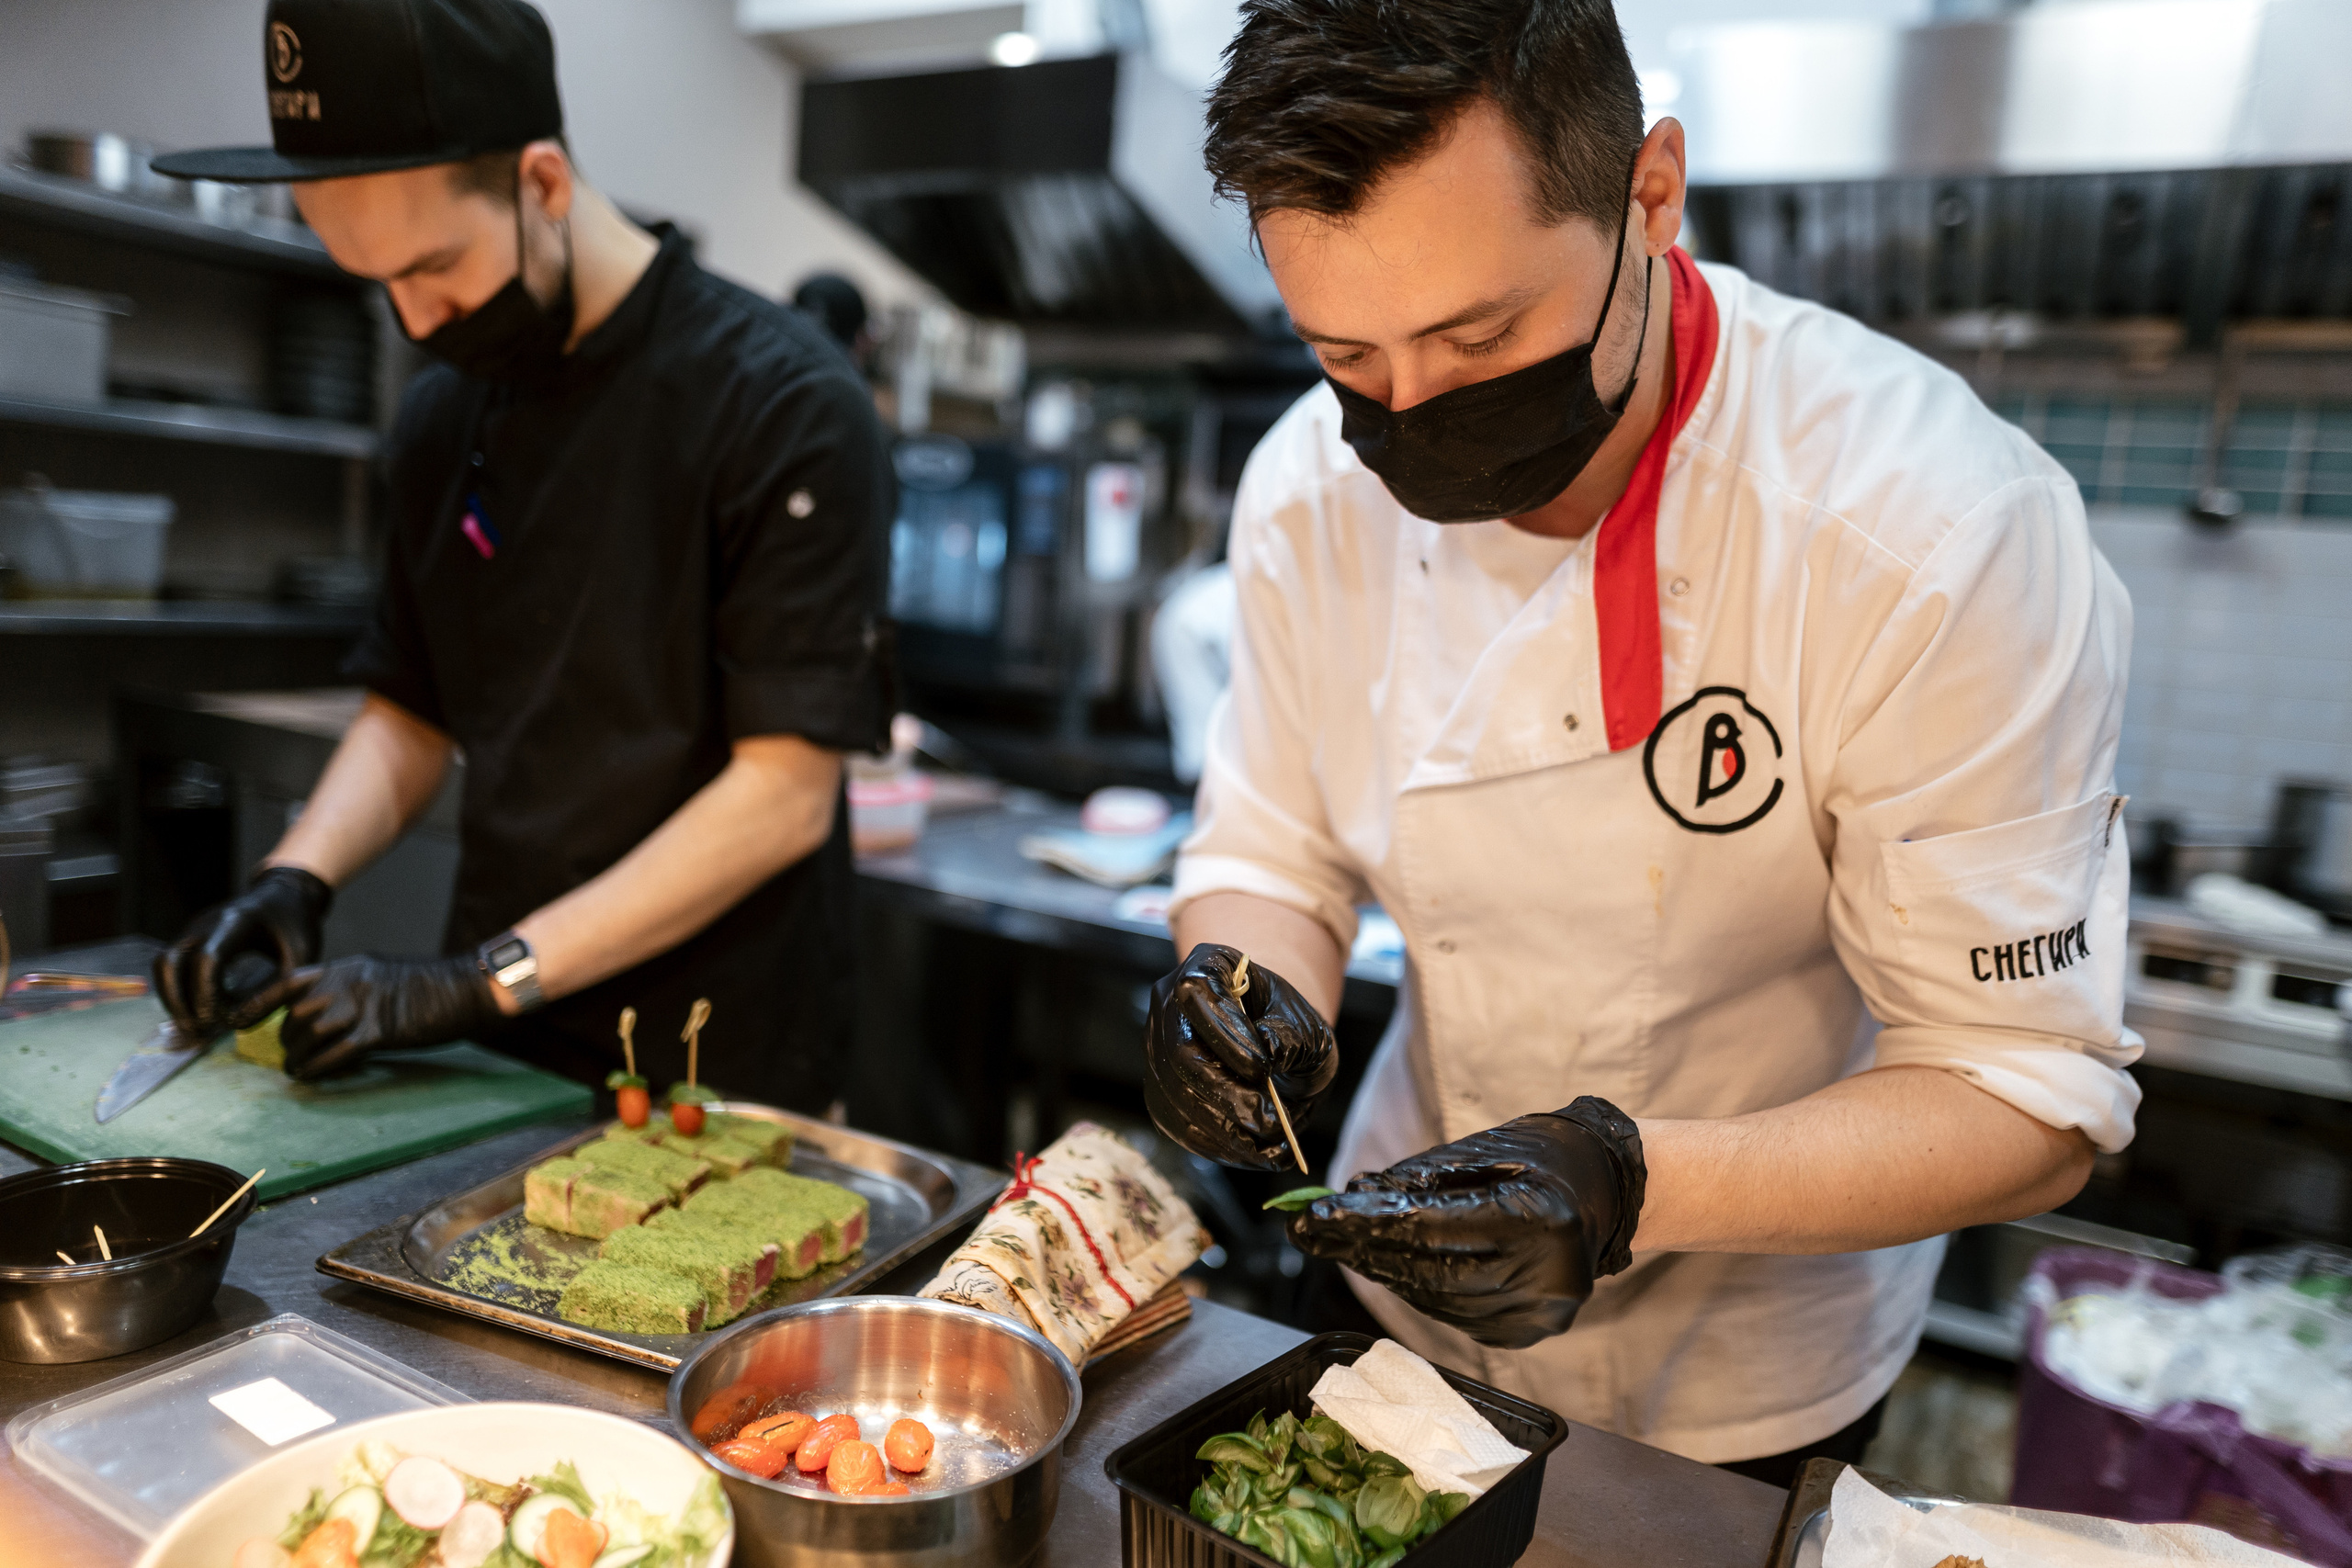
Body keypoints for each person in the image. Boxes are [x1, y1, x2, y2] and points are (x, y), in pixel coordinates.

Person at [1141, 0, 2138, 1485]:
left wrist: (1622, 1181)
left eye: (1478, 334)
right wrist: (1244, 984)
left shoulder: (1935, 529)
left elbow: (2023, 1090)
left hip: (1745, 1366)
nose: (1409, 416)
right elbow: (1270, 843)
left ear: (1650, 195)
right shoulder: (1306, 485)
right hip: (1383, 1294)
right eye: (1346, 351)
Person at [148, 0, 894, 1108]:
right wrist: (294, 879)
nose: (416, 320)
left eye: (436, 267)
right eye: (380, 283)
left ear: (543, 182)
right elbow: (411, 709)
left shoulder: (783, 401)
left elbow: (783, 796)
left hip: (713, 1062)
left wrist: (476, 980)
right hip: (497, 1056)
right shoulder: (446, 414)